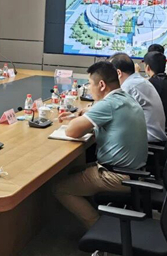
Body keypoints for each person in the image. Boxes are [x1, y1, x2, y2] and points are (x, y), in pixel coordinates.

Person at [53, 61, 149, 229]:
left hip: (117, 176)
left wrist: (78, 120)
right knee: (74, 171)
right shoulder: (125, 98)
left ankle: (98, 228)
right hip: (135, 172)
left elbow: (71, 131)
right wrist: (83, 115)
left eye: (90, 84)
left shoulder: (109, 104)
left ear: (102, 85)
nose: (89, 88)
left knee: (59, 188)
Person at [109, 53, 167, 143]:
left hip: (148, 141)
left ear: (118, 73)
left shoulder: (129, 86)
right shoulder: (138, 81)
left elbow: (111, 113)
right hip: (153, 135)